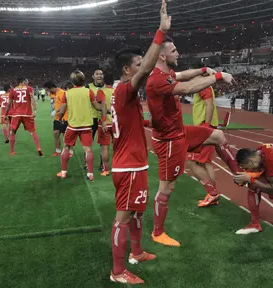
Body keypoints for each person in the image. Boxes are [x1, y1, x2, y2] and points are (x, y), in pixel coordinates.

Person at [146, 36, 239, 247]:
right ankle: (158, 232)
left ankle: (238, 174)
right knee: (167, 188)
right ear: (162, 55)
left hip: (180, 132)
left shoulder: (165, 73)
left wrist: (201, 69)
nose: (178, 53)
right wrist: (217, 75)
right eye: (174, 50)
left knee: (218, 136)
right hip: (168, 141)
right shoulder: (157, 79)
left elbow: (182, 75)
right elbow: (187, 89)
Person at [109, 1, 171, 284]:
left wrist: (147, 123)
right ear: (126, 70)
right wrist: (160, 31)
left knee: (136, 215)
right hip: (129, 166)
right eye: (136, 65)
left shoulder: (122, 93)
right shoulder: (125, 88)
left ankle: (136, 252)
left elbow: (125, 123)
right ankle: (118, 271)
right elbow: (147, 66)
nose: (142, 68)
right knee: (123, 218)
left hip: (134, 163)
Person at [56, 70, 106, 181]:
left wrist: (59, 118)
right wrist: (103, 104)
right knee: (88, 149)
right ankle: (90, 174)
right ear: (83, 80)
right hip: (87, 126)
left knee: (66, 147)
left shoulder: (67, 93)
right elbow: (97, 107)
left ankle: (63, 172)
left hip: (72, 126)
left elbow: (62, 111)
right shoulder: (88, 92)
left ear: (72, 81)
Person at [186, 76, 220, 207]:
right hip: (206, 126)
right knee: (205, 162)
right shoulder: (203, 86)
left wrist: (206, 125)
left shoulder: (203, 86)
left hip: (204, 127)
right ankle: (213, 194)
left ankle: (212, 194)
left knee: (192, 162)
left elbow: (209, 105)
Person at [5, 78, 43, 156]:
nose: (27, 82)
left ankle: (12, 151)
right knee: (33, 132)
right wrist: (35, 110)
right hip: (27, 114)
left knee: (13, 132)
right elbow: (32, 98)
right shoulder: (29, 88)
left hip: (16, 114)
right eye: (26, 81)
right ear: (23, 82)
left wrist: (6, 114)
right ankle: (38, 148)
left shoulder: (13, 90)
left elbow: (9, 104)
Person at [43, 80, 72, 157]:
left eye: (48, 90)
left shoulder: (62, 93)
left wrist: (55, 111)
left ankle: (69, 151)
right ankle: (58, 151)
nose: (48, 92)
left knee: (65, 135)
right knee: (56, 134)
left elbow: (64, 104)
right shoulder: (55, 93)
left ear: (52, 88)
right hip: (57, 118)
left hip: (64, 117)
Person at [87, 69, 105, 171]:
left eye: (101, 74)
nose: (99, 76)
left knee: (103, 143)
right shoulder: (88, 87)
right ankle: (87, 162)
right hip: (91, 119)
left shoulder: (107, 87)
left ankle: (102, 164)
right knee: (88, 142)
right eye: (97, 74)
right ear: (93, 76)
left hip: (103, 119)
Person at [96, 73, 114, 176]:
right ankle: (117, 167)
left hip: (105, 123)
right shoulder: (117, 91)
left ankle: (106, 169)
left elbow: (101, 106)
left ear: (104, 81)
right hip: (116, 123)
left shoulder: (101, 91)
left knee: (105, 147)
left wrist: (103, 120)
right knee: (118, 147)